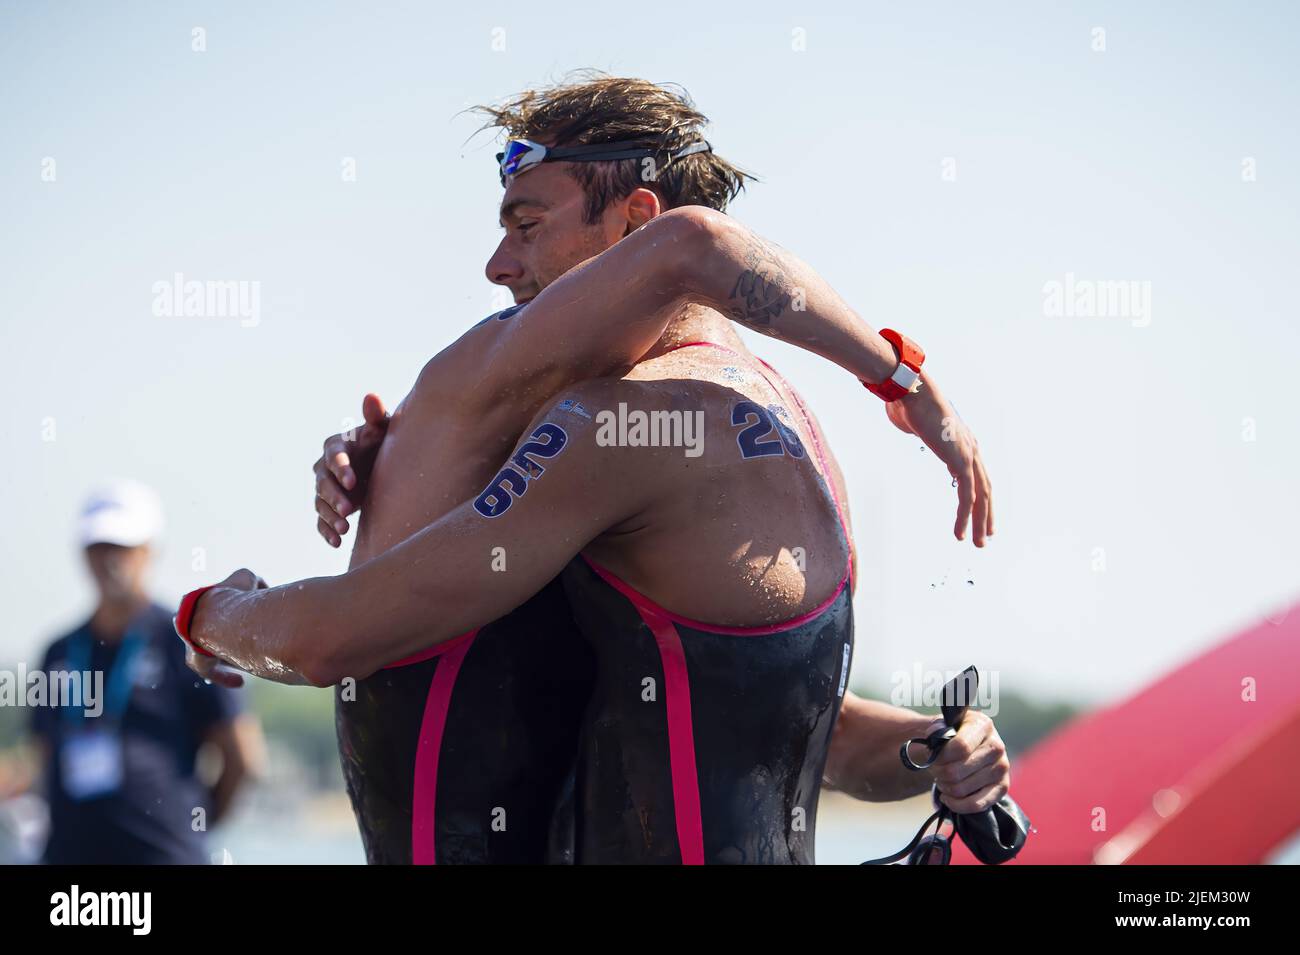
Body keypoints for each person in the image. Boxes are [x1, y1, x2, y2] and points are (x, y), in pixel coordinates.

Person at [177, 76, 1008, 862]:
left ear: (634, 225)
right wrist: (937, 748)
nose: (498, 265)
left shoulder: (617, 426)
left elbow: (329, 642)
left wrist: (211, 614)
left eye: (526, 224)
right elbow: (791, 733)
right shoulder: (790, 428)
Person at [29, 480, 262, 864]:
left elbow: (244, 758)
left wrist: (192, 827)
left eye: (121, 547)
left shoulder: (188, 642)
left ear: (149, 551)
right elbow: (43, 757)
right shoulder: (58, 652)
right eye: (98, 547)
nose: (109, 560)